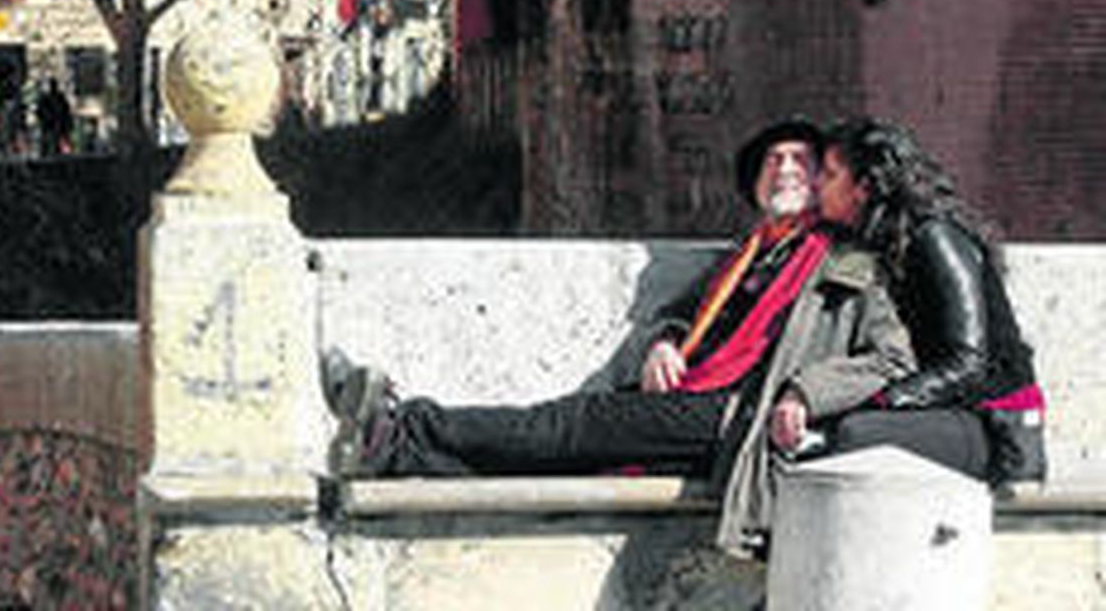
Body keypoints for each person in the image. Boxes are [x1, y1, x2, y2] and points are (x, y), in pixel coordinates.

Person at [324, 118, 916, 558]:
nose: (784, 169)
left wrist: (807, 392)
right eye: (772, 161)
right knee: (561, 462)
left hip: (737, 413)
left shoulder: (846, 259)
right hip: (689, 399)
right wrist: (666, 341)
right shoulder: (749, 254)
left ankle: (405, 427)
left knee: (566, 425)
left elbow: (892, 357)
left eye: (800, 160)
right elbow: (682, 315)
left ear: (826, 181)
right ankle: (397, 453)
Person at [816, 118, 1046, 484]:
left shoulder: (935, 236)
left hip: (994, 426)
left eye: (829, 175)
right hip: (943, 412)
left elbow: (968, 363)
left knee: (852, 436)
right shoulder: (878, 242)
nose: (817, 185)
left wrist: (885, 402)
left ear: (863, 187)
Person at [35, 77, 73, 156]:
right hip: (49, 124)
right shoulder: (46, 98)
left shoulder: (59, 98)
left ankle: (55, 151)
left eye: (54, 85)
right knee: (47, 140)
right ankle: (46, 151)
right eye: (52, 85)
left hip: (57, 124)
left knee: (56, 140)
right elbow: (39, 111)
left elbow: (66, 110)